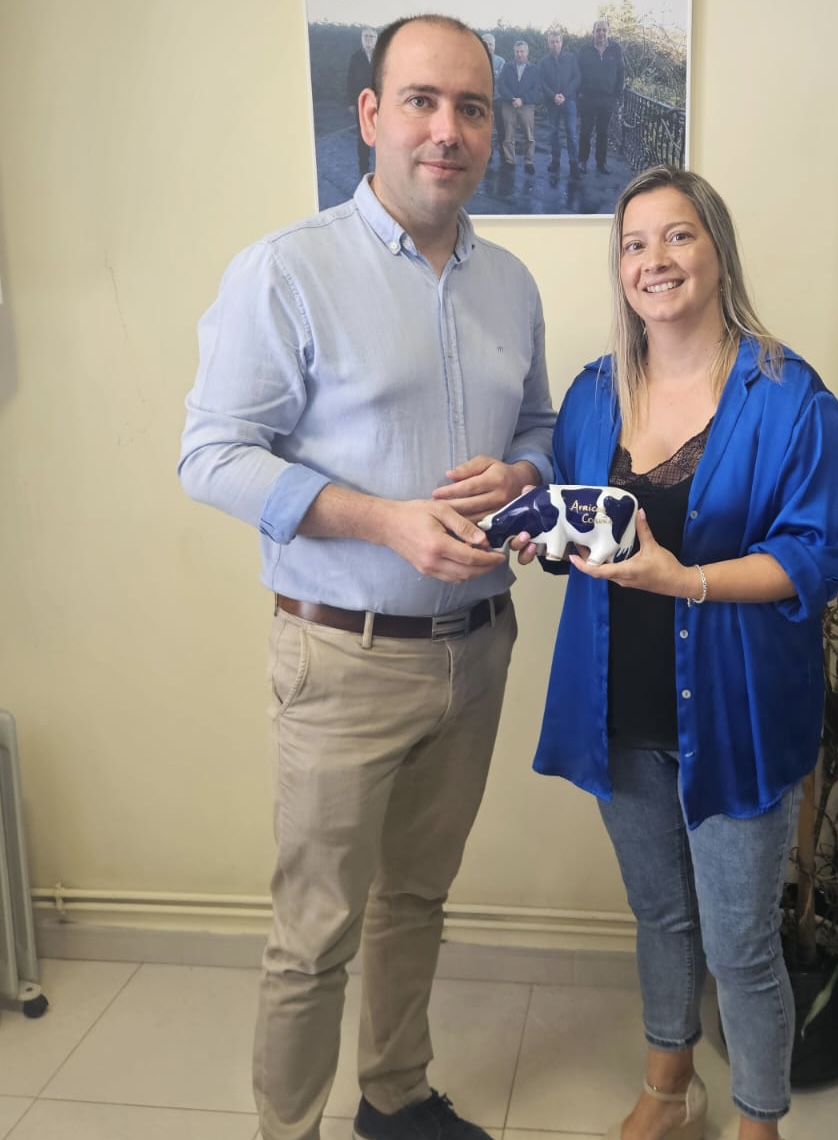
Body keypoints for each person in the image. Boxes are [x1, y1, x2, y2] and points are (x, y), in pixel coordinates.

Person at [179, 15, 555, 1140]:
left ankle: (394, 1098)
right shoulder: (287, 270)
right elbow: (211, 456)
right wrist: (384, 522)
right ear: (371, 115)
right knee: (314, 934)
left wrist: (524, 472)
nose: (448, 130)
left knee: (417, 899)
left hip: (477, 652)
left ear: (491, 127)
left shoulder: (512, 283)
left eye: (471, 108)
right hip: (343, 656)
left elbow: (540, 425)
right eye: (423, 102)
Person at [519, 167, 838, 1140]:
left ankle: (758, 1123)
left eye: (677, 236)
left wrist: (688, 580)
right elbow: (581, 532)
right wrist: (540, 532)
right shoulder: (593, 395)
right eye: (633, 243)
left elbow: (813, 556)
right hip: (617, 711)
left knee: (740, 946)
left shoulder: (787, 396)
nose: (653, 260)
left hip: (735, 716)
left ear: (716, 252)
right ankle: (670, 1089)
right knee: (659, 916)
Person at [577, 19, 624, 174]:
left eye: (604, 30)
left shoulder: (616, 49)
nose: (601, 33)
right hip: (588, 98)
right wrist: (579, 94)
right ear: (593, 32)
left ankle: (601, 163)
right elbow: (577, 72)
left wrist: (617, 96)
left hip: (607, 99)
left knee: (603, 132)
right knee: (585, 131)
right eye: (598, 30)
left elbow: (620, 73)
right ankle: (582, 161)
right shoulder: (585, 49)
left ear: (608, 32)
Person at [538, 30, 582, 179]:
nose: (555, 44)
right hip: (552, 103)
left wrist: (564, 94)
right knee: (554, 133)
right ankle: (555, 161)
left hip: (569, 101)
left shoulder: (571, 58)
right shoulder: (543, 62)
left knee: (571, 134)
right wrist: (553, 96)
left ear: (561, 43)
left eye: (557, 41)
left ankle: (574, 164)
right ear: (548, 43)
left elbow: (577, 77)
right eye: (552, 42)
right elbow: (541, 81)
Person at [497, 41, 541, 172]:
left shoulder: (534, 69)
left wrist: (523, 100)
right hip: (509, 104)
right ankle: (510, 160)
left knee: (529, 135)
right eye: (517, 51)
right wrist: (511, 98)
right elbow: (501, 85)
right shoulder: (507, 67)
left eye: (522, 51)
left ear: (527, 52)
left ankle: (529, 161)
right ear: (514, 52)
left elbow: (537, 89)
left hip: (526, 106)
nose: (519, 54)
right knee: (508, 135)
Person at [345, 26, 378, 178]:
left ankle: (382, 169)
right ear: (362, 39)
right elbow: (350, 80)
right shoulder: (355, 58)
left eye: (371, 37)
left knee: (383, 135)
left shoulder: (381, 57)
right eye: (366, 37)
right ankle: (363, 170)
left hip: (380, 102)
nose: (368, 39)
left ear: (376, 39)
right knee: (363, 136)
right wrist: (351, 103)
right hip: (361, 103)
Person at [481, 32, 506, 158]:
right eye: (486, 44)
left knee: (501, 127)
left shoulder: (501, 61)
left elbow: (503, 81)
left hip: (498, 100)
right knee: (484, 127)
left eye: (491, 44)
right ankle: (487, 152)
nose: (489, 46)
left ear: (495, 46)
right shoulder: (475, 60)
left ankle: (503, 150)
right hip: (482, 100)